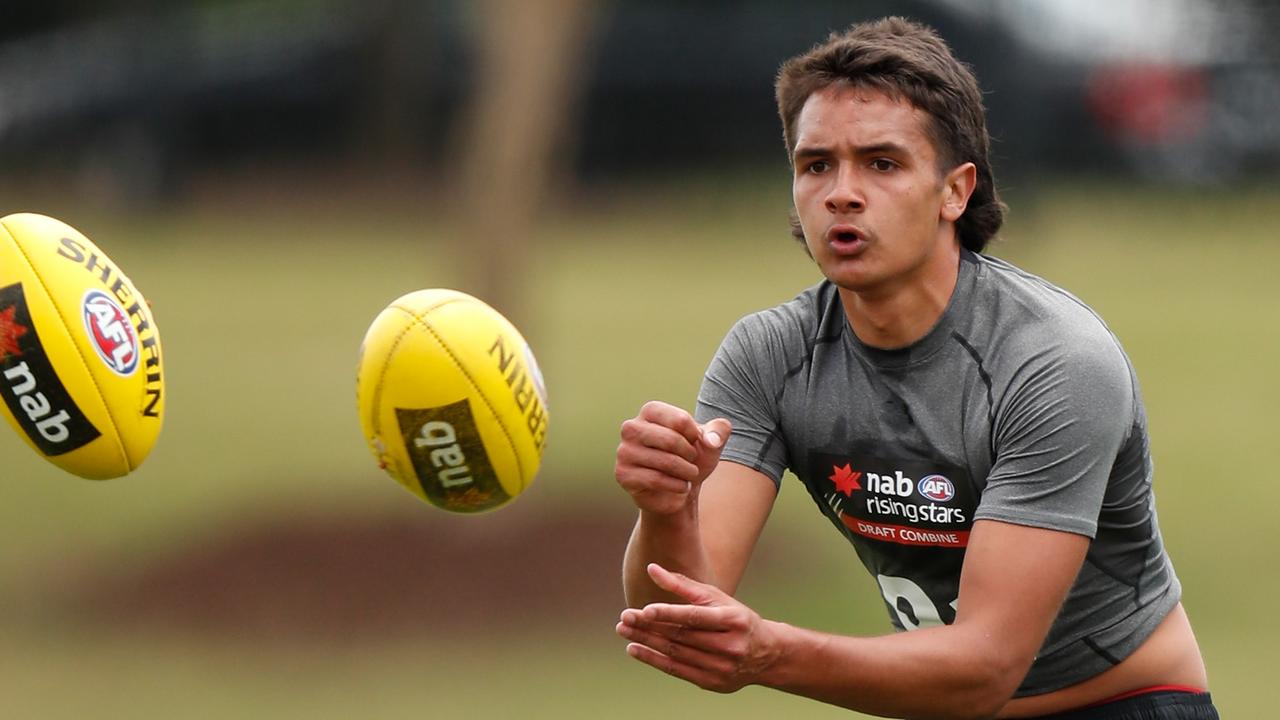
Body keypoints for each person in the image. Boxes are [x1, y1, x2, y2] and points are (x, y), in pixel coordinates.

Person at [612, 16, 1216, 720]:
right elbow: (678, 615)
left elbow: (985, 667)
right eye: (816, 166)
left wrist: (772, 651)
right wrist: (666, 508)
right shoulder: (770, 356)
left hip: (1125, 704)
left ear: (955, 191)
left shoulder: (1052, 361)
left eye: (882, 163)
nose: (842, 192)